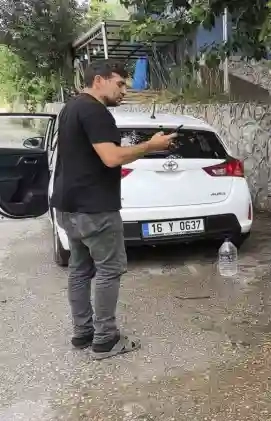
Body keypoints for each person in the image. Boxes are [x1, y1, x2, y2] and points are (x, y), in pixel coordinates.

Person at [51, 60, 176, 360]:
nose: (124, 90)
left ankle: (83, 332)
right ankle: (105, 339)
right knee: (109, 269)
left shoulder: (70, 108)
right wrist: (151, 146)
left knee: (80, 269)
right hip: (95, 209)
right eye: (119, 83)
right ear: (99, 80)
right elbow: (111, 157)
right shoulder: (95, 111)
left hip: (68, 207)